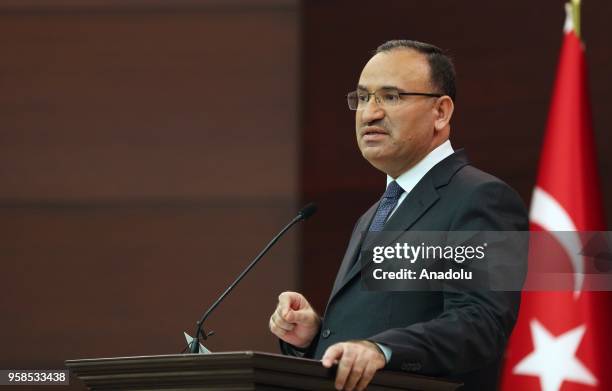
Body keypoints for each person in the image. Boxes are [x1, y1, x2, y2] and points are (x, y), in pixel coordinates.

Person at [269, 40, 528, 391]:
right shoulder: (375, 214)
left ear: (441, 112)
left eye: (390, 97)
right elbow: (380, 328)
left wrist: (384, 350)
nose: (369, 113)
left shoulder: (481, 198)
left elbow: (480, 324)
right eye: (362, 98)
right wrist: (315, 335)